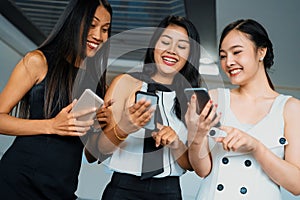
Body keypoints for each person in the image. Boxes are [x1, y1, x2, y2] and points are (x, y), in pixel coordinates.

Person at [0, 0, 112, 199]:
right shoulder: (37, 61)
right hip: (19, 181)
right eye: (92, 25)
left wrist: (100, 124)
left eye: (105, 29)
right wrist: (51, 125)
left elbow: (90, 154)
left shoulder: (97, 81)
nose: (98, 35)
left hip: (62, 187)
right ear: (73, 22)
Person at [186, 19, 300, 199]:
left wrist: (256, 147)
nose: (229, 62)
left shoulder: (291, 108)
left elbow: (296, 185)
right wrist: (196, 135)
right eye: (223, 56)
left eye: (237, 52)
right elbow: (202, 170)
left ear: (261, 52)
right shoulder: (215, 98)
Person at [94, 15, 201, 199]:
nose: (172, 51)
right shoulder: (125, 83)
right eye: (165, 42)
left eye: (182, 46)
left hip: (169, 192)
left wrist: (176, 144)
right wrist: (124, 128)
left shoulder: (192, 99)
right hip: (123, 189)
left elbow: (191, 165)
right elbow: (100, 150)